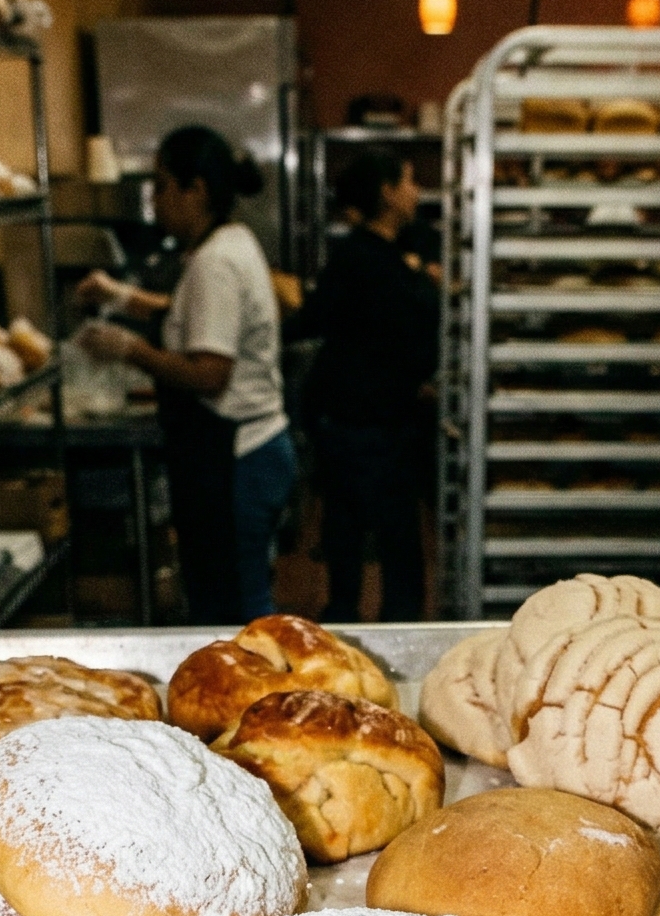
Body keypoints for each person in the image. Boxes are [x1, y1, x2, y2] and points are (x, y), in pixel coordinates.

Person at [79, 125, 296, 616]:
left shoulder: (216, 261)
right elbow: (195, 316)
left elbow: (209, 372)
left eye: (161, 185)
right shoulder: (229, 242)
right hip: (252, 448)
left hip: (237, 457)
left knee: (234, 607)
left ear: (194, 189)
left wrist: (128, 348)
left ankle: (248, 692)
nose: (154, 200)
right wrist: (121, 296)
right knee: (240, 593)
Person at [296, 144, 440, 618]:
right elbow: (409, 338)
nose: (416, 191)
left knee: (348, 544)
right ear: (387, 192)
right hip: (372, 424)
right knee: (394, 549)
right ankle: (392, 642)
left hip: (351, 421)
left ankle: (342, 634)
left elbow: (317, 320)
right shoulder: (375, 262)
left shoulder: (364, 254)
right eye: (408, 181)